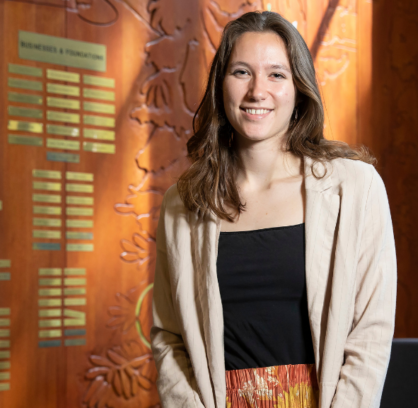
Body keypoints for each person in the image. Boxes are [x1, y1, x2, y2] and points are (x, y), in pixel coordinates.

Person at [151, 10, 397, 408]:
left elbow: (370, 331)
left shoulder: (355, 188)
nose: (257, 91)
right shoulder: (183, 203)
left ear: (299, 88)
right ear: (221, 86)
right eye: (242, 72)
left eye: (277, 75)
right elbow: (169, 336)